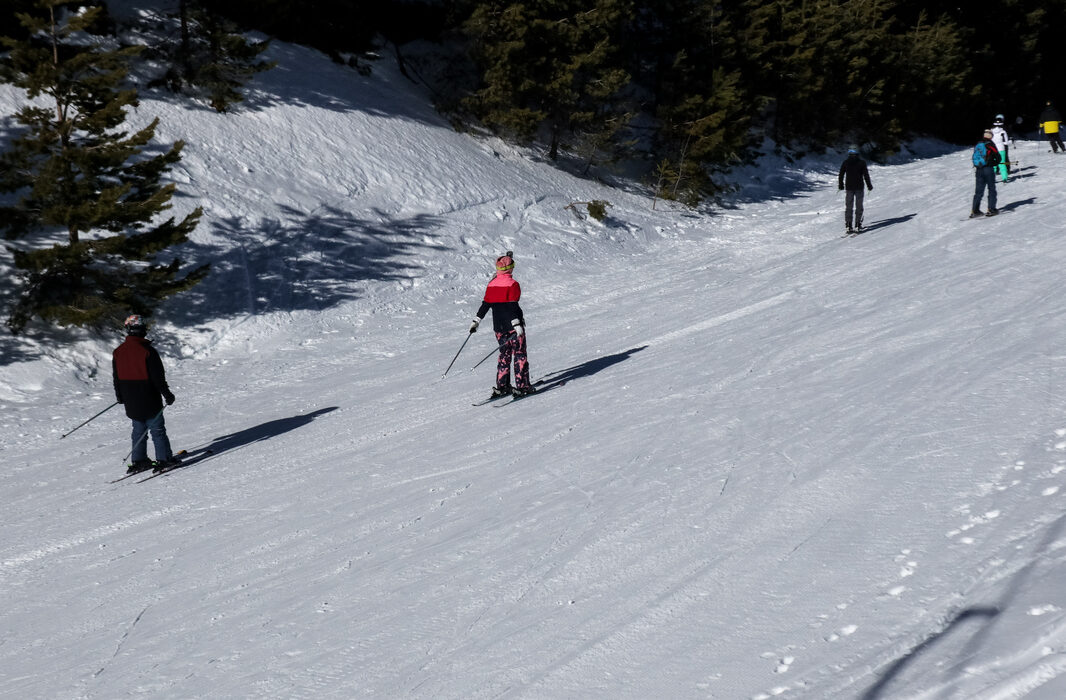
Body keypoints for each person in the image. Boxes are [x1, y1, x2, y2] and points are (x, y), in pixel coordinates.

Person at [112, 314, 179, 473]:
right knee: (157, 430)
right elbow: (158, 378)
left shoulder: (118, 352)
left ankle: (139, 460)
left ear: (128, 329)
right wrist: (167, 394)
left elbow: (116, 377)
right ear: (143, 330)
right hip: (149, 398)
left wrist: (119, 396)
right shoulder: (148, 351)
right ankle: (164, 459)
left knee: (138, 430)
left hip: (130, 399)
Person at [468, 253, 536, 398]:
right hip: (514, 327)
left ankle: (502, 385)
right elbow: (512, 306)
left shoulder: (491, 284)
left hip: (499, 328)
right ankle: (523, 386)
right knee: (519, 354)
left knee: (504, 354)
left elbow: (485, 305)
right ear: (510, 268)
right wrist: (516, 324)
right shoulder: (513, 284)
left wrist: (476, 321)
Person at [837, 145, 873, 233]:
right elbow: (866, 175)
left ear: (849, 152)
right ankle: (857, 224)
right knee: (859, 206)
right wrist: (869, 185)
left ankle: (848, 225)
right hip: (859, 187)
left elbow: (841, 174)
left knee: (849, 206)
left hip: (849, 187)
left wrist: (841, 185)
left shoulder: (845, 162)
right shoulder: (862, 162)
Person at [971, 129, 1000, 218]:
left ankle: (975, 211)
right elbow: (998, 157)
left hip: (979, 169)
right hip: (988, 169)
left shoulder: (978, 144)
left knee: (978, 191)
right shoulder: (990, 144)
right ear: (990, 136)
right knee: (991, 189)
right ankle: (991, 209)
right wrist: (994, 163)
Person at [990, 114, 1011, 182]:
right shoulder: (1003, 131)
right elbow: (1006, 142)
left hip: (993, 149)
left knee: (993, 164)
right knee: (1002, 163)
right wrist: (1004, 143)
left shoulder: (991, 131)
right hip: (1001, 149)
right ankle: (1004, 177)